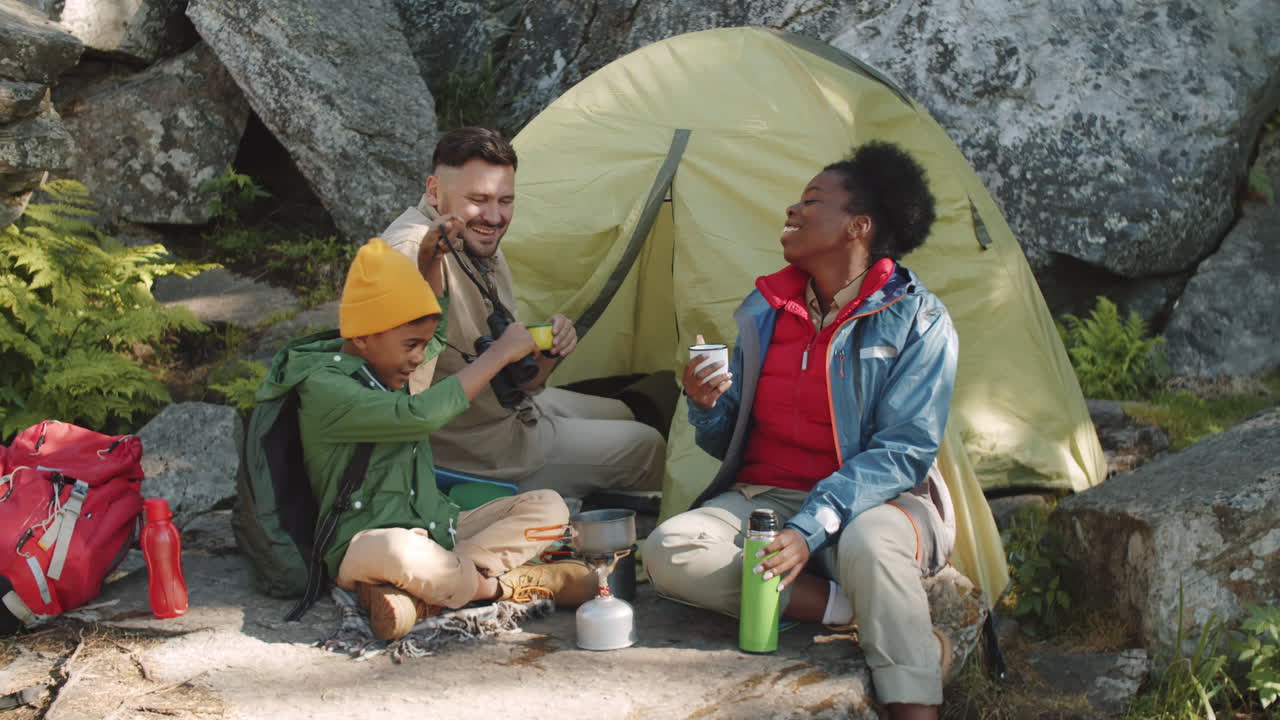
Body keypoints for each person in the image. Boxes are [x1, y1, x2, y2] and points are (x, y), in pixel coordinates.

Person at [643, 141, 958, 720]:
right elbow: (729, 439)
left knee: (869, 546)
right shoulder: (765, 309)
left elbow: (904, 451)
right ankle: (846, 608)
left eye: (812, 201)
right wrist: (707, 405)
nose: (792, 210)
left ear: (858, 226)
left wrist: (813, 526)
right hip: (766, 496)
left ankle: (914, 705)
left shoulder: (919, 318)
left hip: (874, 502)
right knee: (671, 550)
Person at [268, 235, 593, 642]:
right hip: (364, 544)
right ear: (364, 337)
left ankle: (421, 593)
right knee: (402, 553)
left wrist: (430, 259)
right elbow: (417, 416)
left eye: (421, 346)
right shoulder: (327, 388)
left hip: (438, 528)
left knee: (549, 507)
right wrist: (498, 355)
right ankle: (511, 585)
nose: (420, 357)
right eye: (411, 346)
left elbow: (432, 331)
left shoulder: (385, 360)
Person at [381, 126, 666, 500]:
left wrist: (546, 353)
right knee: (647, 445)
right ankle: (621, 525)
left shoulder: (478, 243)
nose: (494, 217)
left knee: (624, 412)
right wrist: (501, 353)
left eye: (506, 201)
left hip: (507, 408)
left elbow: (522, 382)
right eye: (478, 199)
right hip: (473, 452)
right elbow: (401, 405)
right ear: (434, 191)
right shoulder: (412, 255)